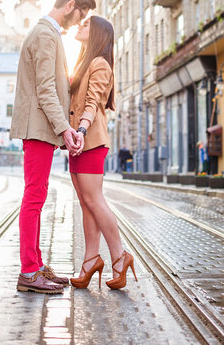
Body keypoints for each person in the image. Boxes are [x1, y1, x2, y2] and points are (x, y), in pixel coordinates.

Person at [11, 0, 96, 294]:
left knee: (38, 194)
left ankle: (35, 263)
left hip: (40, 128)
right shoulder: (47, 35)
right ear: (69, 4)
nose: (78, 21)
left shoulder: (46, 34)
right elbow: (46, 90)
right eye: (80, 14)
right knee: (34, 197)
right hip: (38, 129)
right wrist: (65, 129)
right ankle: (29, 270)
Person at [69, 15, 137, 291]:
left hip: (90, 140)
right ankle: (91, 260)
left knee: (95, 201)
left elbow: (93, 101)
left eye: (85, 24)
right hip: (77, 140)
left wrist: (82, 131)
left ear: (96, 33)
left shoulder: (100, 63)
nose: (79, 25)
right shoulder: (83, 61)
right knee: (86, 203)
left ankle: (120, 257)